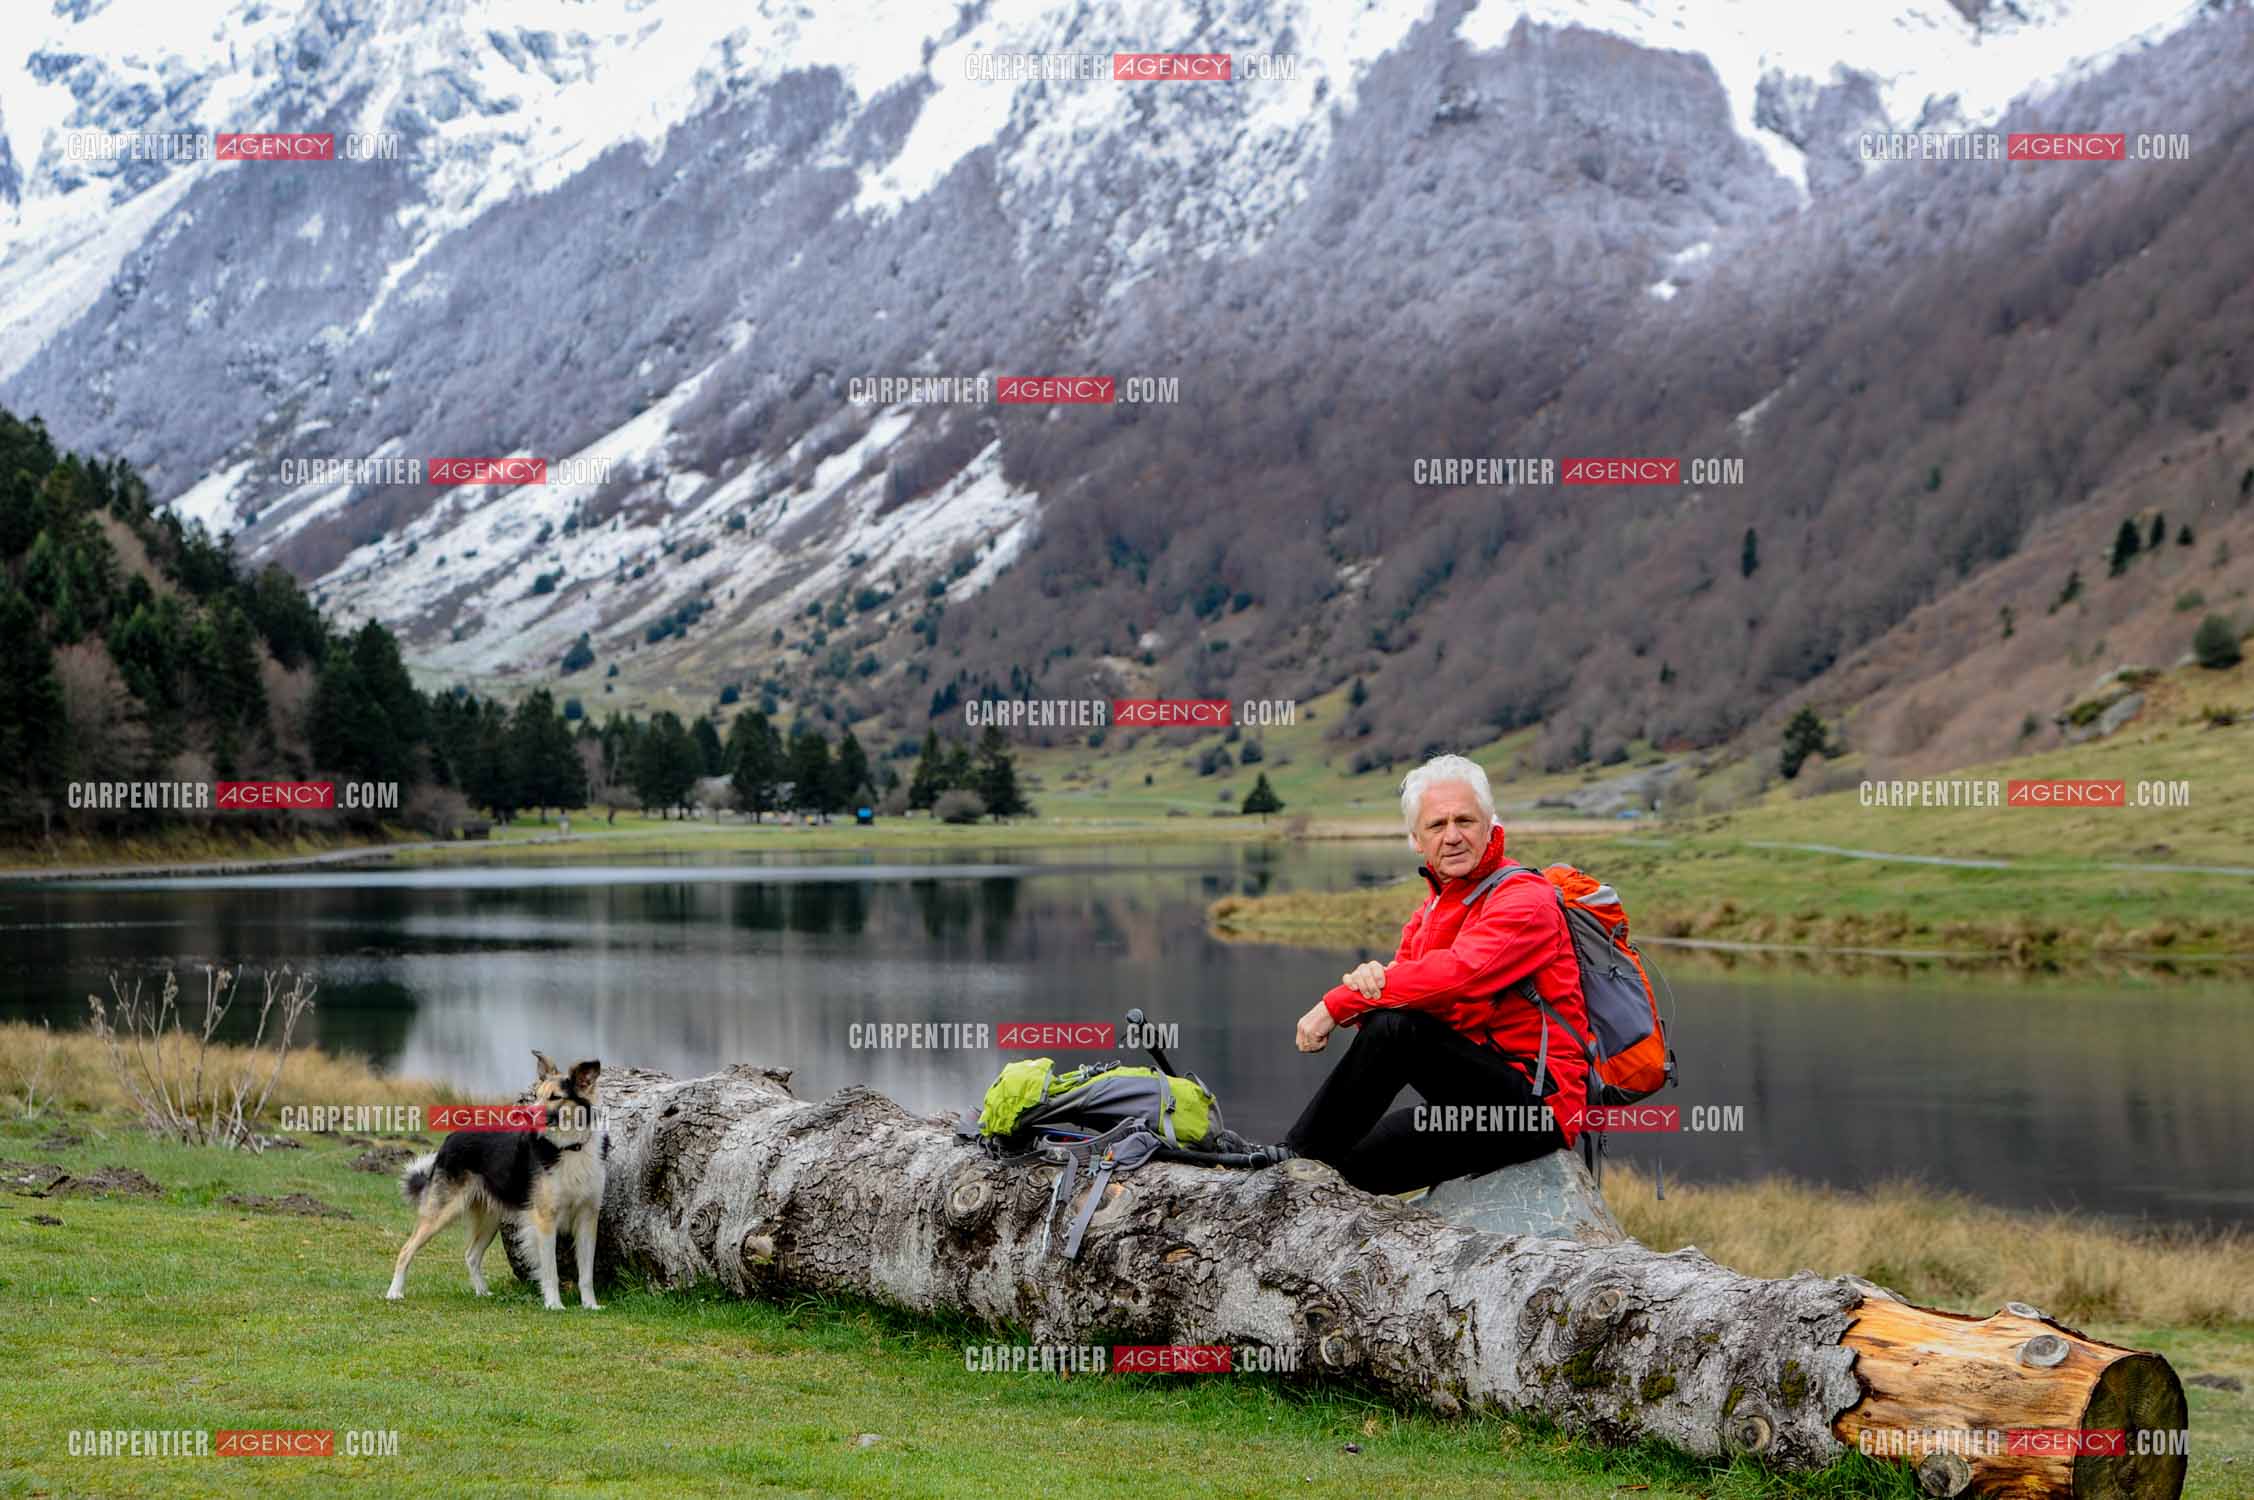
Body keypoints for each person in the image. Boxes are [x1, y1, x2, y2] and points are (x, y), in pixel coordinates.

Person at [1281, 754, 1589, 1193]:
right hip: (1470, 1110)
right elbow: (1398, 1003)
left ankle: (1292, 1158)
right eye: (1437, 825)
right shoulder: (1431, 910)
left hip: (1535, 1109)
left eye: (1465, 820)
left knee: (1395, 1030)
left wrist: (1339, 1003)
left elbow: (1460, 974)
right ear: (1416, 840)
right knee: (1342, 1171)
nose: (1453, 836)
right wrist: (1371, 983)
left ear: (1490, 825)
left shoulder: (1526, 900)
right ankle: (1292, 1175)